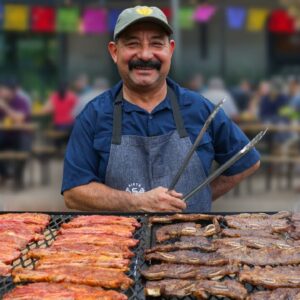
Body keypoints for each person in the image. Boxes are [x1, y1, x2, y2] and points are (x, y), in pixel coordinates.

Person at [62, 6, 260, 212]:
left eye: (156, 44)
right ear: (114, 51)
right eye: (133, 44)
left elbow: (247, 161)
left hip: (192, 241)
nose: (146, 55)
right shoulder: (94, 115)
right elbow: (74, 193)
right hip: (120, 241)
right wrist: (138, 202)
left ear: (170, 50)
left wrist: (199, 196)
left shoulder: (200, 109)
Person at [0, 79, 31, 187]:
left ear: (11, 91)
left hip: (20, 134)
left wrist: (5, 107)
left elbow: (20, 118)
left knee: (23, 147)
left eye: (3, 89)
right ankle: (5, 174)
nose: (1, 91)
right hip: (4, 134)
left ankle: (18, 177)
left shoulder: (21, 101)